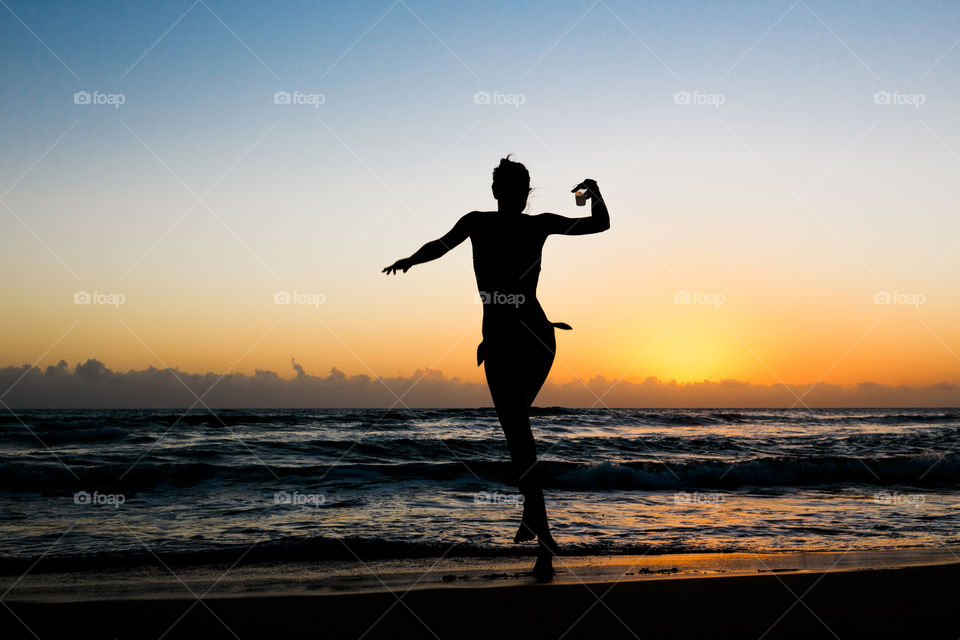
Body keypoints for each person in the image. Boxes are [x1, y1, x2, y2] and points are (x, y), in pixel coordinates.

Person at [383, 156, 610, 577]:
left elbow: (439, 245)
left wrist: (410, 260)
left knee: (517, 431)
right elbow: (599, 224)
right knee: (519, 429)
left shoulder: (478, 222)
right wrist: (594, 192)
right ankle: (535, 519)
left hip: (506, 338)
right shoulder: (536, 223)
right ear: (525, 194)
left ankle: (539, 525)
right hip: (540, 335)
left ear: (495, 191)